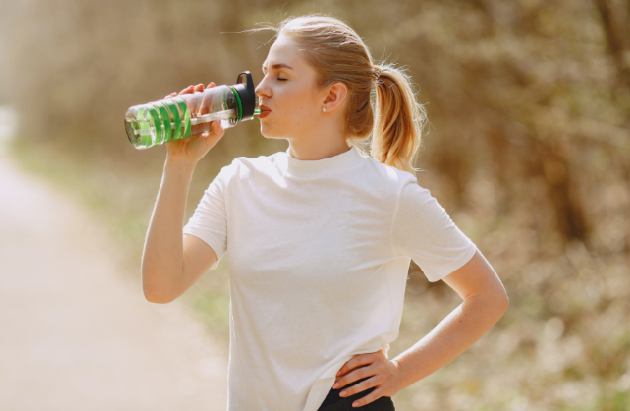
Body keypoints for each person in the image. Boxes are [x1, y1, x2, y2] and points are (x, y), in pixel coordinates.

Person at [141, 14, 509, 411]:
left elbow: (487, 297)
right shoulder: (239, 182)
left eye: (280, 77)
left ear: (331, 97)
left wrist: (401, 371)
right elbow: (162, 286)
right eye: (263, 74)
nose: (260, 90)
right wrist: (179, 165)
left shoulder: (391, 195)